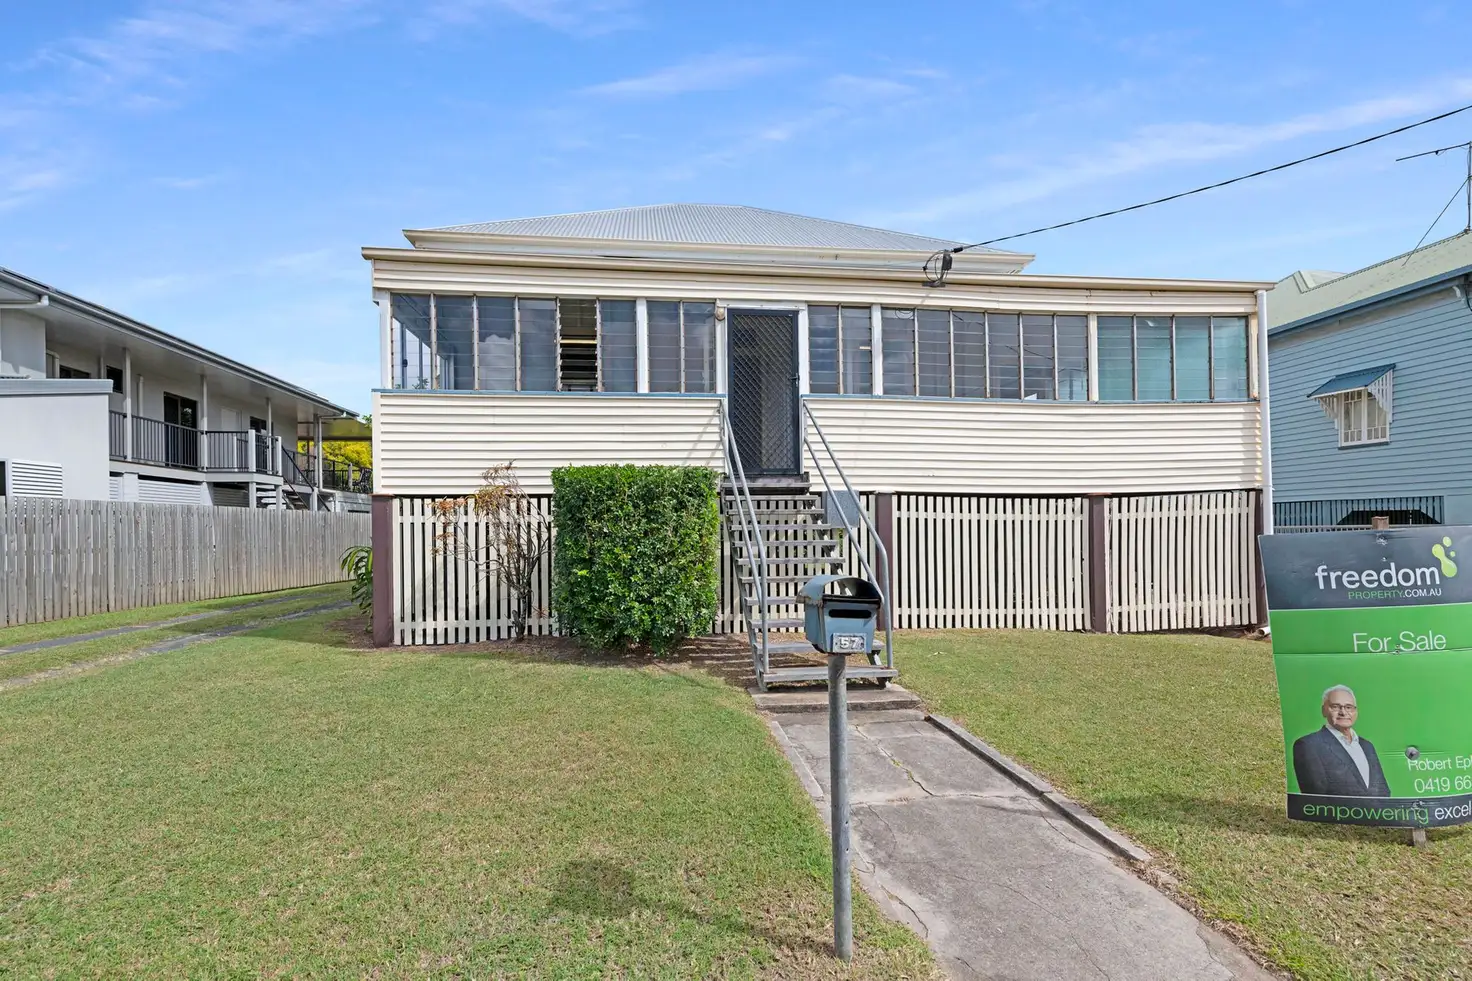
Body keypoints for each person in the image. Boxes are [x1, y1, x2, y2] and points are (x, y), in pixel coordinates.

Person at [1292, 685, 1391, 797]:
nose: (1343, 712)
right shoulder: (1309, 745)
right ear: (1324, 710)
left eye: (1349, 707)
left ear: (1356, 712)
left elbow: (1383, 791)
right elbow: (1316, 798)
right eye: (1335, 707)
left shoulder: (1367, 746)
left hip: (1376, 814)